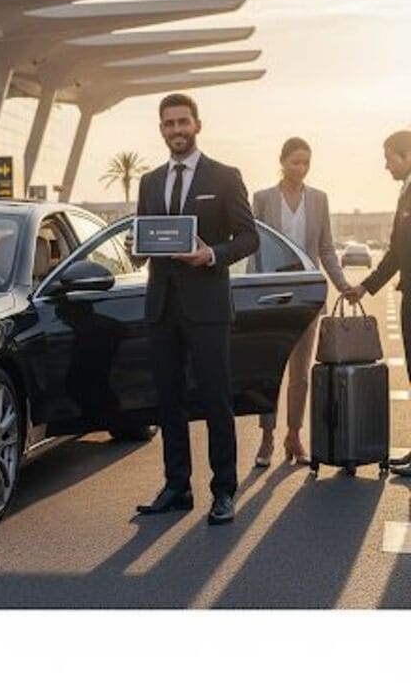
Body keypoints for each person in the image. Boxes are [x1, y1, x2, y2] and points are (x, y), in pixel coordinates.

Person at [132, 93, 259, 525]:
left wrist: (212, 256)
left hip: (207, 307)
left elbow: (249, 238)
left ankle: (224, 490)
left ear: (197, 125)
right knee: (168, 401)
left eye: (183, 122)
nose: (176, 130)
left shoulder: (225, 177)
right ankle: (176, 486)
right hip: (161, 306)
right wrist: (135, 249)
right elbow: (145, 242)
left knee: (215, 400)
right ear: (161, 129)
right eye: (168, 124)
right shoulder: (149, 181)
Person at [251, 137, 350, 467]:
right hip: (270, 295)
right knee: (269, 371)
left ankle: (294, 435)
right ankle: (266, 437)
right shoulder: (263, 198)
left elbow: (326, 249)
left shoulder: (319, 200)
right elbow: (254, 246)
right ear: (282, 161)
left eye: (306, 162)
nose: (301, 168)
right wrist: (249, 290)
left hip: (307, 295)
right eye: (296, 161)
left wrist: (343, 285)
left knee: (301, 373)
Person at [343, 129, 411, 476]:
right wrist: (366, 287)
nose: (386, 166)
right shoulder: (406, 192)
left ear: (406, 155)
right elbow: (397, 253)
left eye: (389, 159)